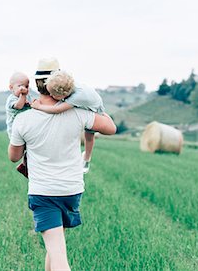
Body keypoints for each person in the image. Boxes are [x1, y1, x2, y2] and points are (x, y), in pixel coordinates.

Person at [8, 58, 116, 271]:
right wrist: (91, 101)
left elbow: (13, 156)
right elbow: (111, 127)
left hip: (44, 192)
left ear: (38, 85)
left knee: (58, 255)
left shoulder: (23, 120)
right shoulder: (78, 112)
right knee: (55, 247)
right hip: (71, 190)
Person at [31, 70, 105, 174]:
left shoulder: (76, 97)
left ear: (63, 95)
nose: (51, 96)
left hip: (94, 109)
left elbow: (57, 110)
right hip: (87, 101)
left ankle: (87, 159)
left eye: (53, 94)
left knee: (89, 136)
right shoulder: (67, 87)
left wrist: (39, 107)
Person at [5, 72, 31, 175]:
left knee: (29, 148)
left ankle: (24, 165)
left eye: (26, 86)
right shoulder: (12, 99)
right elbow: (19, 106)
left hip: (23, 128)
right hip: (14, 130)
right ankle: (24, 166)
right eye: (20, 86)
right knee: (22, 148)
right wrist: (23, 95)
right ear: (11, 87)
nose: (23, 88)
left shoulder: (25, 97)